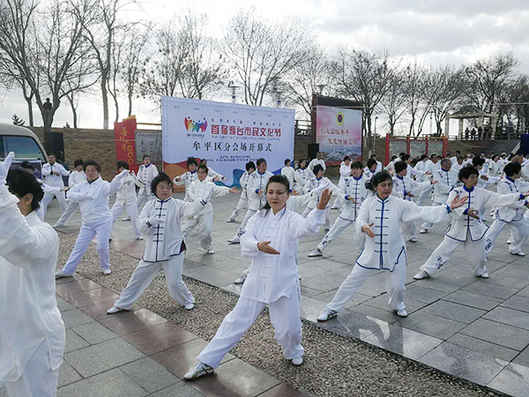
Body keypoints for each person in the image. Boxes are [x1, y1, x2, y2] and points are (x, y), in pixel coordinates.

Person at [183, 176, 332, 380]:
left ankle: (293, 351)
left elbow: (308, 228)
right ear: (266, 193)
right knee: (235, 321)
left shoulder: (292, 218)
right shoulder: (258, 217)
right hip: (256, 280)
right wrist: (257, 246)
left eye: (280, 192)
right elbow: (246, 236)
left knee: (289, 329)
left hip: (283, 282)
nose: (275, 196)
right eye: (271, 192)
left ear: (288, 195)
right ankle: (206, 361)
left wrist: (320, 209)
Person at [317, 171, 467, 322]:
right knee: (351, 281)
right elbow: (360, 219)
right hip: (371, 252)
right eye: (383, 185)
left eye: (389, 185)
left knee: (398, 287)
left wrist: (447, 208)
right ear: (376, 187)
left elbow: (421, 211)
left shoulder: (399, 203)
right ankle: (331, 308)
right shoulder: (368, 203)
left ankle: (397, 305)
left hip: (395, 252)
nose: (387, 188)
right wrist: (363, 227)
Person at [0, 153, 65, 397]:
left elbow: (21, 246)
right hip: (8, 331)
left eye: (9, 196)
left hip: (36, 337)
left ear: (27, 199)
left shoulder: (45, 234)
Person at [107, 173, 211, 314]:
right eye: (161, 187)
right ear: (155, 189)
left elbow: (191, 210)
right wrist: (149, 222)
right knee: (136, 279)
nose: (165, 190)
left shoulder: (178, 204)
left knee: (174, 282)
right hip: (152, 253)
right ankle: (122, 304)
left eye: (168, 187)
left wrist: (203, 200)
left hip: (173, 251)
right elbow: (140, 226)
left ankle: (188, 300)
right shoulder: (149, 205)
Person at [414, 166, 529, 281]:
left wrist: (520, 196)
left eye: (476, 177)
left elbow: (499, 198)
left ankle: (480, 270)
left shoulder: (482, 192)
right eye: (472, 177)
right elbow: (450, 205)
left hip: (475, 230)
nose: (475, 180)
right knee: (442, 251)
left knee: (479, 256)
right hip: (457, 228)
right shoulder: (456, 191)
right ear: (464, 179)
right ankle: (426, 270)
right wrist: (465, 211)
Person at [55, 160, 129, 279]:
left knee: (101, 246)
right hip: (87, 223)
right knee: (79, 247)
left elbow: (112, 189)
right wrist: (83, 196)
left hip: (103, 221)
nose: (90, 173)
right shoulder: (81, 185)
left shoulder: (103, 184)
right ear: (85, 172)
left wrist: (118, 178)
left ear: (98, 172)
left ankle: (105, 266)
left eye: (93, 170)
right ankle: (68, 270)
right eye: (88, 170)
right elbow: (69, 194)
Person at [308, 161, 371, 257]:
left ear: (361, 170)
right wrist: (346, 197)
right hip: (347, 211)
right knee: (334, 230)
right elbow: (340, 192)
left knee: (362, 235)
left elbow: (371, 195)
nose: (355, 171)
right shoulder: (347, 181)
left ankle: (363, 254)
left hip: (361, 214)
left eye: (357, 169)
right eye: (353, 169)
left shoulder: (367, 181)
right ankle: (320, 248)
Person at [183, 165, 238, 254]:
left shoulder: (210, 185)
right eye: (199, 172)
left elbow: (218, 189)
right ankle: (182, 247)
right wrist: (197, 203)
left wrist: (228, 190)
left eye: (203, 173)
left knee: (207, 230)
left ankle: (207, 246)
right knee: (185, 228)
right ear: (197, 173)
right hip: (194, 209)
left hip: (206, 210)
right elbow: (189, 194)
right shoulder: (192, 184)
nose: (201, 174)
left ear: (206, 174)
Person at [482, 162, 529, 257]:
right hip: (504, 214)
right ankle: (482, 253)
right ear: (514, 173)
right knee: (491, 235)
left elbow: (526, 185)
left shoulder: (517, 181)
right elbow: (510, 201)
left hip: (516, 215)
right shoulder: (503, 184)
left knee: (525, 231)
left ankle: (515, 248)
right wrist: (525, 203)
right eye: (519, 171)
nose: (521, 173)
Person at [228, 158, 273, 244]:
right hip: (254, 203)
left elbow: (273, 186)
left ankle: (269, 238)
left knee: (268, 221)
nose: (265, 167)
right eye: (263, 165)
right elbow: (249, 187)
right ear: (258, 166)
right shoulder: (252, 176)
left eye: (265, 165)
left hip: (266, 203)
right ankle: (238, 236)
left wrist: (267, 193)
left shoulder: (270, 176)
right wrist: (256, 191)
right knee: (246, 220)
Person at [392, 161, 435, 242]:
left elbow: (418, 185)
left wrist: (430, 183)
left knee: (411, 220)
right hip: (397, 204)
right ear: (401, 170)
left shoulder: (407, 178)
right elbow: (392, 193)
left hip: (408, 204)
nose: (406, 171)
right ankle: (397, 238)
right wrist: (404, 193)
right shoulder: (393, 181)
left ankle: (413, 236)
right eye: (405, 169)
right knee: (398, 222)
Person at [420, 157, 458, 233]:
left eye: (450, 164)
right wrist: (451, 189)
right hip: (439, 197)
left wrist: (456, 188)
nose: (450, 166)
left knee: (452, 214)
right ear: (443, 165)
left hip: (450, 197)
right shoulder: (437, 173)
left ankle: (450, 230)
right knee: (434, 213)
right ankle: (425, 227)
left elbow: (457, 182)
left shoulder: (454, 172)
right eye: (448, 164)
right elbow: (439, 185)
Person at [111, 161, 143, 240]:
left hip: (131, 201)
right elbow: (113, 188)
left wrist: (135, 177)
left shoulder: (131, 176)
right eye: (120, 168)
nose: (122, 170)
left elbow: (141, 185)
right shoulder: (117, 178)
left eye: (123, 168)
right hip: (120, 201)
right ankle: (107, 235)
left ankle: (138, 234)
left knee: (134, 218)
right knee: (110, 217)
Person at [302, 164, 338, 231]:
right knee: (305, 213)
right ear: (316, 172)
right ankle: (300, 225)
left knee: (327, 217)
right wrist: (309, 192)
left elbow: (333, 187)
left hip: (323, 202)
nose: (322, 172)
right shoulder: (311, 180)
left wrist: (334, 192)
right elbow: (305, 188)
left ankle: (328, 227)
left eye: (322, 171)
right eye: (320, 171)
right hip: (313, 201)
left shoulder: (326, 180)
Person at [53, 159, 86, 228]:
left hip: (83, 195)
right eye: (78, 166)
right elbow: (70, 183)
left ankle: (85, 224)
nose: (79, 167)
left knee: (85, 211)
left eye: (80, 166)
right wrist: (77, 187)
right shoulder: (73, 173)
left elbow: (86, 183)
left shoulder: (85, 173)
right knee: (68, 210)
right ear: (75, 167)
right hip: (75, 195)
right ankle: (59, 223)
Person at [40, 154, 69, 221]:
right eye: (49, 158)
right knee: (44, 202)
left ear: (55, 159)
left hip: (59, 187)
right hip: (49, 187)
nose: (50, 159)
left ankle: (65, 218)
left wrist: (71, 172)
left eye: (52, 158)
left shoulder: (59, 166)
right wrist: (52, 172)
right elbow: (43, 173)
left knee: (62, 203)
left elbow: (65, 173)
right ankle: (42, 218)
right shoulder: (45, 166)